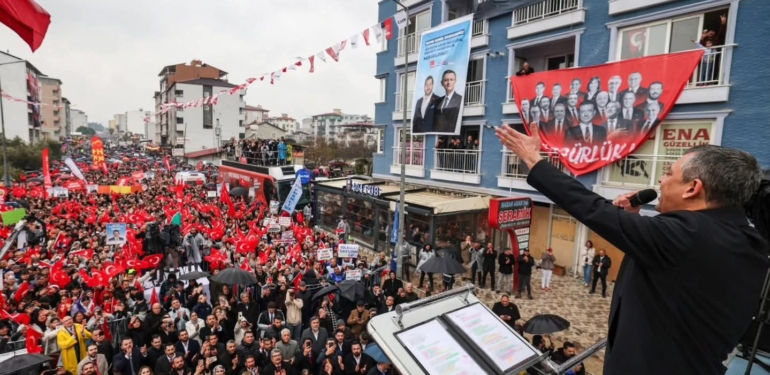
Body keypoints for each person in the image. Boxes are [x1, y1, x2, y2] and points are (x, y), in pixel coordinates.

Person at [496, 122, 769, 375]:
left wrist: (533, 159)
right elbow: (673, 274)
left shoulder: (688, 235)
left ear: (693, 188)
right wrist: (634, 223)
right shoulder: (749, 239)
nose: (661, 180)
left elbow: (592, 208)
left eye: (668, 173)